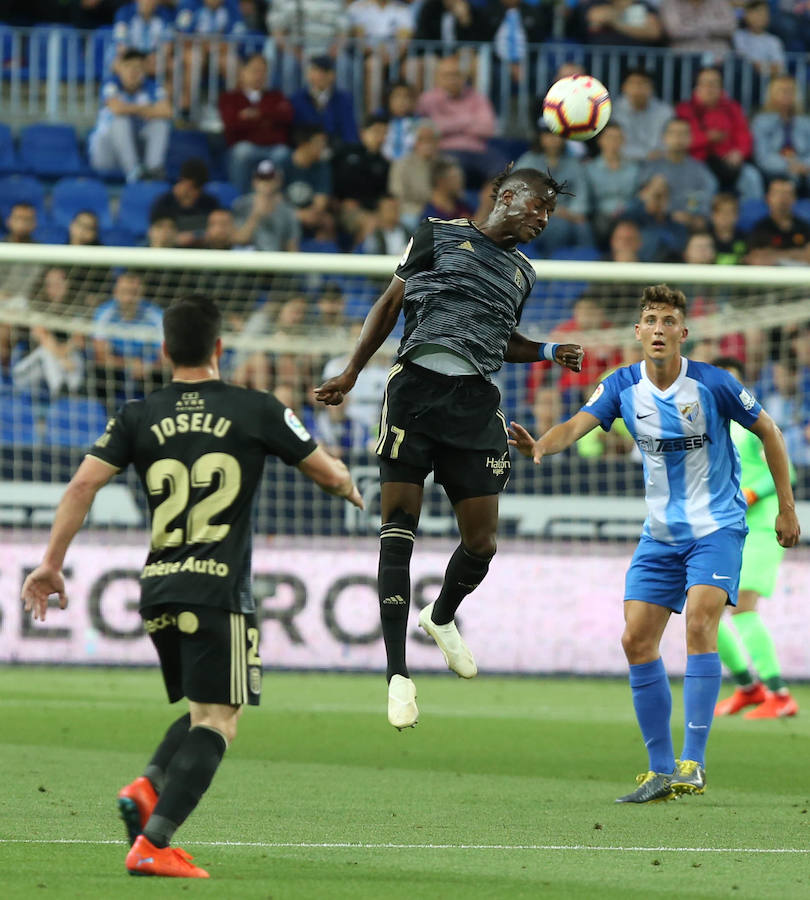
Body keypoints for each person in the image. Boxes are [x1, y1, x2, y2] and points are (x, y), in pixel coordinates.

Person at [21, 293, 363, 878]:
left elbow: (81, 486)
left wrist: (51, 562)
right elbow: (328, 473)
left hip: (156, 587)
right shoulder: (257, 406)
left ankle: (147, 787)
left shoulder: (137, 413)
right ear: (220, 348)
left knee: (206, 707)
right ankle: (154, 843)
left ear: (163, 352)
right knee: (219, 721)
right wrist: (348, 488)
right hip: (219, 590)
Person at [314, 166, 584, 730]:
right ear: (508, 197)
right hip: (414, 391)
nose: (543, 219)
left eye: (550, 213)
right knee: (398, 529)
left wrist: (546, 349)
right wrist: (352, 371)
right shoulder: (436, 234)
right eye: (539, 207)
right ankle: (397, 675)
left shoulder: (522, 273)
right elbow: (392, 303)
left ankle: (441, 616)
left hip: (475, 404)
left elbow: (497, 335)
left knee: (481, 543)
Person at [508, 284, 800, 803]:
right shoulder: (621, 385)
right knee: (635, 641)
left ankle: (694, 762)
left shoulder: (713, 383)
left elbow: (771, 432)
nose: (659, 328)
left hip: (717, 528)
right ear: (638, 332)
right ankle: (660, 770)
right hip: (660, 535)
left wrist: (786, 506)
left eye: (669, 320)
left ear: (682, 334)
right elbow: (579, 423)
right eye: (650, 319)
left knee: (700, 622)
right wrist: (541, 446)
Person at [710, 356, 799, 719]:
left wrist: (750, 494)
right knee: (705, 612)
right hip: (726, 530)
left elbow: (785, 470)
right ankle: (748, 687)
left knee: (743, 607)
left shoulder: (752, 425)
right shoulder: (712, 428)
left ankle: (779, 695)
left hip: (762, 528)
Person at [88, 48, 171, 183]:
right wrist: (147, 109)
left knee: (160, 123)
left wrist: (129, 108)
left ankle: (154, 170)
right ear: (119, 68)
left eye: (138, 67)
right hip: (106, 154)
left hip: (136, 147)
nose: (133, 72)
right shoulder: (111, 83)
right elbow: (117, 109)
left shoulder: (151, 86)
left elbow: (167, 111)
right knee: (120, 121)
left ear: (144, 70)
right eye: (128, 66)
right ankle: (133, 173)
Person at [218, 54, 294, 195]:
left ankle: (277, 202)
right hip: (244, 146)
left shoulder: (276, 96)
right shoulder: (229, 98)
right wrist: (267, 120)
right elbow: (231, 126)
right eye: (255, 70)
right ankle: (241, 200)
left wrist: (256, 115)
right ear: (243, 72)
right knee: (242, 152)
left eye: (263, 71)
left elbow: (286, 118)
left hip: (273, 147)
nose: (259, 75)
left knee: (283, 154)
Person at [232, 159, 301, 252]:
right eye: (261, 178)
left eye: (270, 178)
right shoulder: (241, 204)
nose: (265, 183)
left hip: (275, 261)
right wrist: (256, 215)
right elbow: (239, 240)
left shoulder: (288, 210)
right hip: (247, 261)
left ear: (279, 181)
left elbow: (292, 247)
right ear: (254, 181)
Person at [150, 158, 220, 247]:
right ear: (182, 181)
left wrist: (197, 236)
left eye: (198, 187)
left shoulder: (210, 202)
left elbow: (218, 229)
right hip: (171, 249)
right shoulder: (164, 202)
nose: (195, 192)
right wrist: (176, 238)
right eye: (192, 186)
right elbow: (157, 232)